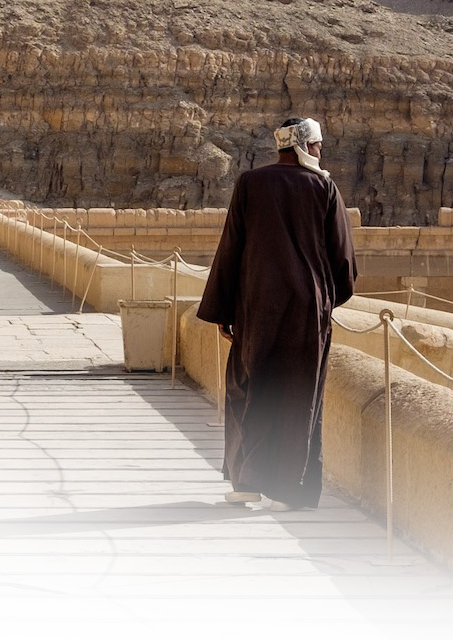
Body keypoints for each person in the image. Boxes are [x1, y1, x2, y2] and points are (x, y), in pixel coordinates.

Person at [196, 118, 358, 512]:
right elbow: (344, 262)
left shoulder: (251, 184)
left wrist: (225, 308)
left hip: (256, 309)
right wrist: (320, 300)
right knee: (298, 396)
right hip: (306, 314)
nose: (321, 152)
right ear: (307, 146)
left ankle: (246, 481)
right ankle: (290, 490)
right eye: (319, 145)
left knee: (248, 389)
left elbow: (231, 248)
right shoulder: (324, 188)